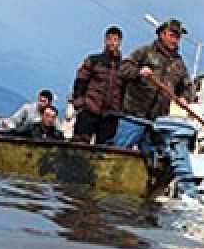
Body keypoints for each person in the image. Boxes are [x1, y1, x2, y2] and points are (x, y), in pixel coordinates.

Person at [114, 18, 193, 150]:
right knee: (119, 153)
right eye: (172, 35)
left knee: (155, 162)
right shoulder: (145, 52)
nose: (174, 40)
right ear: (162, 34)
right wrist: (138, 72)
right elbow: (123, 68)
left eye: (178, 37)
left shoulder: (179, 64)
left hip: (157, 122)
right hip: (133, 117)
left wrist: (184, 98)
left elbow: (187, 87)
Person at [71, 26, 124, 144]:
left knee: (105, 150)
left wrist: (121, 110)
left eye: (115, 40)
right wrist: (79, 102)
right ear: (105, 40)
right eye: (110, 39)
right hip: (89, 109)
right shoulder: (93, 60)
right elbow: (80, 81)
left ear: (120, 42)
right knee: (79, 144)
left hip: (111, 114)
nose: (112, 43)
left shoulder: (124, 66)